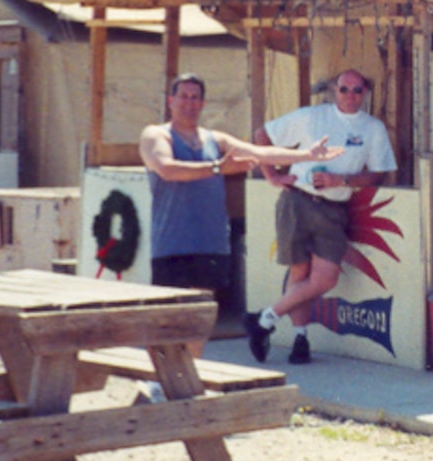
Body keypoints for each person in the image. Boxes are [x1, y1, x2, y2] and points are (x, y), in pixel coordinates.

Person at [139, 73, 341, 398]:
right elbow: (166, 168)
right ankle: (157, 383)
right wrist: (219, 168)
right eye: (183, 96)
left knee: (198, 321)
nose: (189, 103)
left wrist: (306, 156)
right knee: (168, 320)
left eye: (195, 97)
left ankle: (189, 385)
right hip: (172, 243)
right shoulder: (155, 134)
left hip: (210, 242)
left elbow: (260, 154)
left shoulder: (214, 140)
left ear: (203, 103)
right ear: (170, 100)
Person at [245, 68, 398, 365]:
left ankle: (264, 319)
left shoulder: (373, 128)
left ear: (365, 92)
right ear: (334, 91)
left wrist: (340, 181)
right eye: (344, 89)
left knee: (325, 278)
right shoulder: (311, 116)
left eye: (357, 90)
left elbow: (378, 173)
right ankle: (300, 340)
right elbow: (262, 135)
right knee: (299, 273)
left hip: (334, 208)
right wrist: (272, 176)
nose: (350, 96)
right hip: (298, 200)